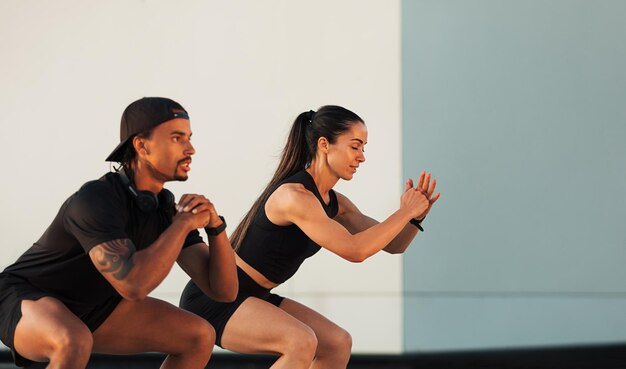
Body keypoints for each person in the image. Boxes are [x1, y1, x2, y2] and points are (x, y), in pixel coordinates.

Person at [180, 105, 440, 369]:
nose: (361, 157)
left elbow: (394, 245)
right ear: (325, 144)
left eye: (364, 148)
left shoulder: (335, 203)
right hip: (215, 298)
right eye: (355, 146)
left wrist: (415, 217)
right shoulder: (295, 197)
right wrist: (405, 211)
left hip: (257, 295)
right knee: (300, 341)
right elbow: (355, 250)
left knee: (337, 343)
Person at [0, 97, 238, 369]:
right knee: (73, 340)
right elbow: (133, 285)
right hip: (24, 296)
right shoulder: (96, 199)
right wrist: (183, 224)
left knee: (198, 336)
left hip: (94, 308)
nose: (191, 149)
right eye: (177, 138)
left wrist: (215, 227)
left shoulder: (165, 211)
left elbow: (224, 291)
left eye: (189, 138)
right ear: (141, 145)